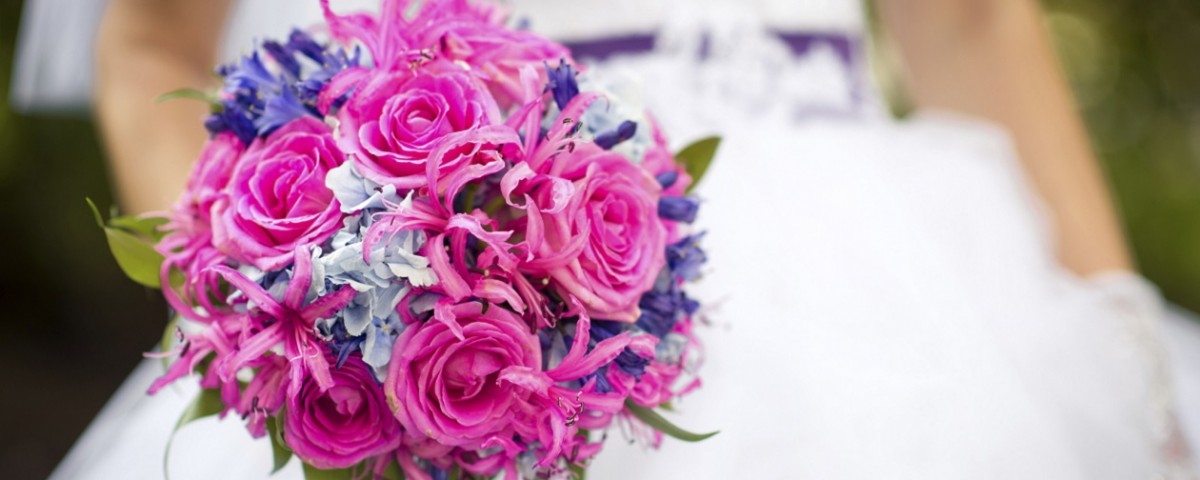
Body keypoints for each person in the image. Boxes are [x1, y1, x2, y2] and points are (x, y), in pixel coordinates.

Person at [18, 0, 1200, 478]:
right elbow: (151, 52)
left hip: (908, 299)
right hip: (428, 281)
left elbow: (973, 23)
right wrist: (280, 322)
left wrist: (1119, 336)